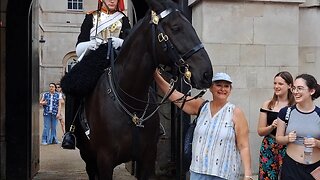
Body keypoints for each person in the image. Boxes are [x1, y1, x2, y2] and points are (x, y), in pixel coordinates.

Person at [154, 71, 253, 180]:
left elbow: (244, 146)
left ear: (230, 89)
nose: (222, 89)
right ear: (211, 88)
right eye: (218, 85)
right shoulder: (201, 106)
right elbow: (175, 95)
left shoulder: (235, 112)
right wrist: (156, 76)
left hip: (224, 174)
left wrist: (247, 175)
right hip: (198, 172)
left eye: (226, 86)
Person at [61, 0, 131, 149]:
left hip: (117, 58)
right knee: (73, 83)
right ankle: (71, 131)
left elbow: (131, 43)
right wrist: (89, 45)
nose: (112, 1)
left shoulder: (123, 19)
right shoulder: (91, 17)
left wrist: (121, 42)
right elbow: (79, 46)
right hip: (94, 59)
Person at [276, 73, 320, 180]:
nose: (295, 92)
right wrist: (287, 139)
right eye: (294, 88)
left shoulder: (319, 114)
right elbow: (278, 138)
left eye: (300, 88)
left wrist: (317, 143)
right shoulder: (285, 112)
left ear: (311, 91)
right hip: (290, 167)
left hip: (314, 169)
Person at [257, 71, 295, 180]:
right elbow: (260, 131)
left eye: (280, 84)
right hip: (269, 145)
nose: (276, 86)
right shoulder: (268, 104)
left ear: (289, 86)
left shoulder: (294, 106)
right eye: (275, 83)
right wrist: (272, 126)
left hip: (288, 146)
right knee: (267, 176)